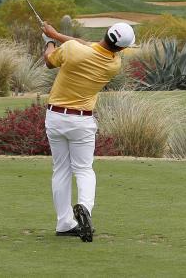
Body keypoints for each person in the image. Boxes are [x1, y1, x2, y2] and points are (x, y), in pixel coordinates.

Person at [40, 20, 135, 242]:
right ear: (121, 48)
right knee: (83, 169)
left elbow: (49, 61)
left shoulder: (72, 50)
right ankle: (84, 208)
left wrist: (50, 41)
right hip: (81, 121)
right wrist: (57, 34)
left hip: (55, 117)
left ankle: (64, 223)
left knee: (61, 169)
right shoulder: (114, 64)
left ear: (106, 33)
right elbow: (85, 45)